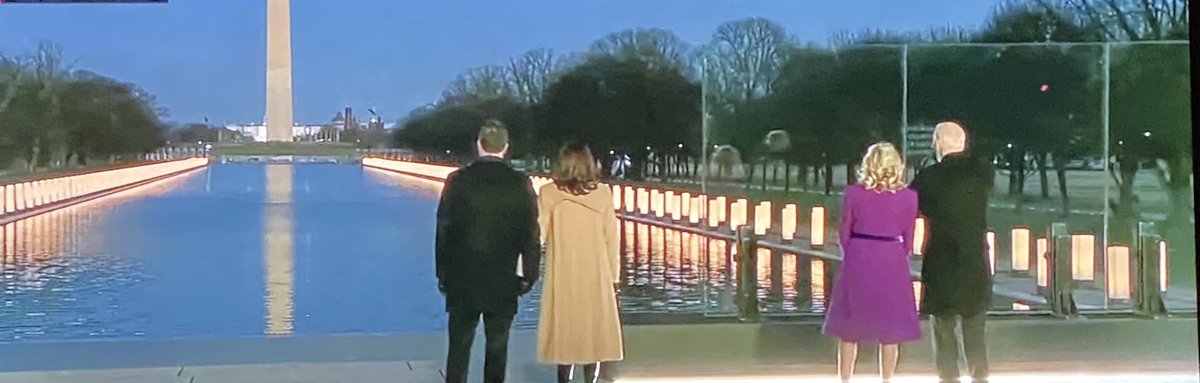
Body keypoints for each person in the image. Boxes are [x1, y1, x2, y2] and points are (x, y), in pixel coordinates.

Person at [435, 119, 541, 383]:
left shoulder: (457, 181)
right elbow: (530, 234)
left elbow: (444, 231)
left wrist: (442, 274)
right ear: (505, 147)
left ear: (478, 145)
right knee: (497, 347)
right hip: (503, 276)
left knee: (459, 347)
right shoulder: (520, 183)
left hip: (462, 275)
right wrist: (529, 274)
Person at [822, 142, 921, 383]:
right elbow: (909, 235)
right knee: (891, 327)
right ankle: (886, 379)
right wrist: (897, 253)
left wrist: (854, 250)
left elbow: (844, 230)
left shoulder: (853, 193)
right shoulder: (910, 197)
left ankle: (845, 378)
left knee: (849, 327)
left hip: (859, 254)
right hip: (892, 256)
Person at [909, 121, 994, 383]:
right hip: (974, 259)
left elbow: (910, 205)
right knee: (975, 331)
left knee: (943, 330)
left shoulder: (929, 178)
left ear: (940, 143)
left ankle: (948, 379)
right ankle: (980, 377)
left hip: (941, 260)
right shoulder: (983, 174)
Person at [537, 142, 624, 383]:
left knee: (564, 330)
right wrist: (615, 279)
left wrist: (525, 269)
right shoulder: (603, 193)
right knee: (593, 332)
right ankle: (591, 380)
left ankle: (564, 379)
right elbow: (611, 240)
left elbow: (539, 236)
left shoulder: (548, 193)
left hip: (562, 273)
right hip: (596, 275)